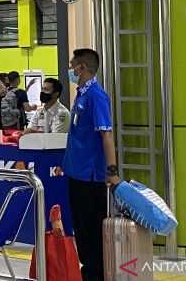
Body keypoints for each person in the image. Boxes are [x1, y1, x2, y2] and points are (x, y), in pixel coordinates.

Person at [63, 49, 121, 281]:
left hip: (90, 177)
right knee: (82, 233)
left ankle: (95, 276)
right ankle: (88, 273)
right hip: (76, 174)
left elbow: (106, 135)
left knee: (92, 233)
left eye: (72, 65)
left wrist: (112, 172)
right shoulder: (81, 94)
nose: (71, 70)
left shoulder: (96, 96)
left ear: (82, 68)